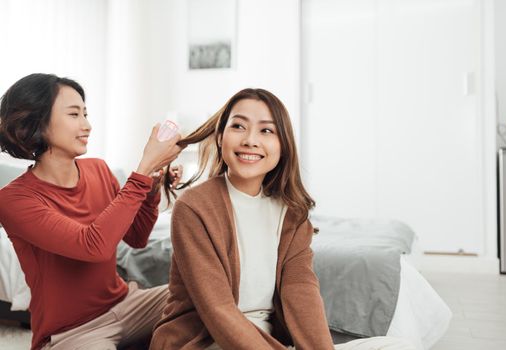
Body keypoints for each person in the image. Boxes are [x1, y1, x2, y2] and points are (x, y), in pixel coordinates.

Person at [150, 88, 415, 349]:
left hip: (269, 341)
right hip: (209, 341)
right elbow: (218, 309)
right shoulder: (193, 208)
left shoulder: (292, 213)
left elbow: (301, 291)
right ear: (220, 137)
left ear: (282, 145)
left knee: (400, 346)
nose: (250, 140)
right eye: (239, 127)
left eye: (266, 130)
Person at [0, 73, 183, 350]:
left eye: (86, 114)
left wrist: (152, 188)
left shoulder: (98, 168)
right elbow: (92, 246)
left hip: (128, 304)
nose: (87, 125)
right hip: (71, 332)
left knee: (199, 296)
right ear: (36, 122)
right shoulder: (13, 199)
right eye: (74, 115)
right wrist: (142, 171)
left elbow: (137, 238)